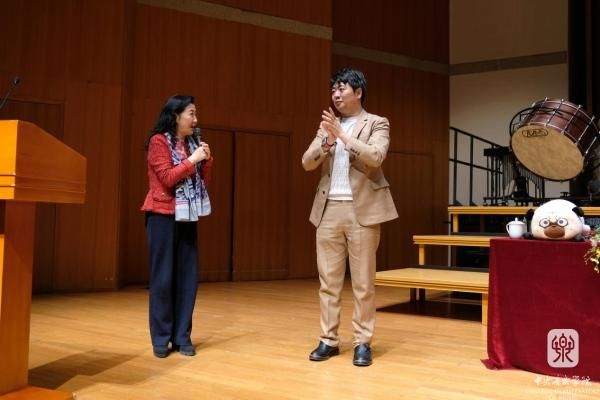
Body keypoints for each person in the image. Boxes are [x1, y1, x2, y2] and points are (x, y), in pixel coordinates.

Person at [301, 68, 398, 367]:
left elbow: (376, 157)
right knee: (328, 282)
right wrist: (326, 142)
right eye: (333, 90)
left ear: (358, 92)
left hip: (362, 211)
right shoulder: (327, 127)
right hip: (328, 209)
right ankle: (328, 340)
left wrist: (342, 135)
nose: (336, 94)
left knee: (363, 283)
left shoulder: (377, 122)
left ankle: (362, 342)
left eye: (342, 89)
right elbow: (306, 162)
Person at [141, 95, 213, 358]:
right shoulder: (158, 141)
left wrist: (206, 161)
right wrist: (192, 160)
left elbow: (203, 182)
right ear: (175, 116)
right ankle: (161, 338)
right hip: (162, 215)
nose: (195, 119)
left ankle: (182, 337)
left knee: (187, 278)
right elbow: (167, 178)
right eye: (191, 114)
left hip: (188, 215)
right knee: (163, 278)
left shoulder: (192, 143)